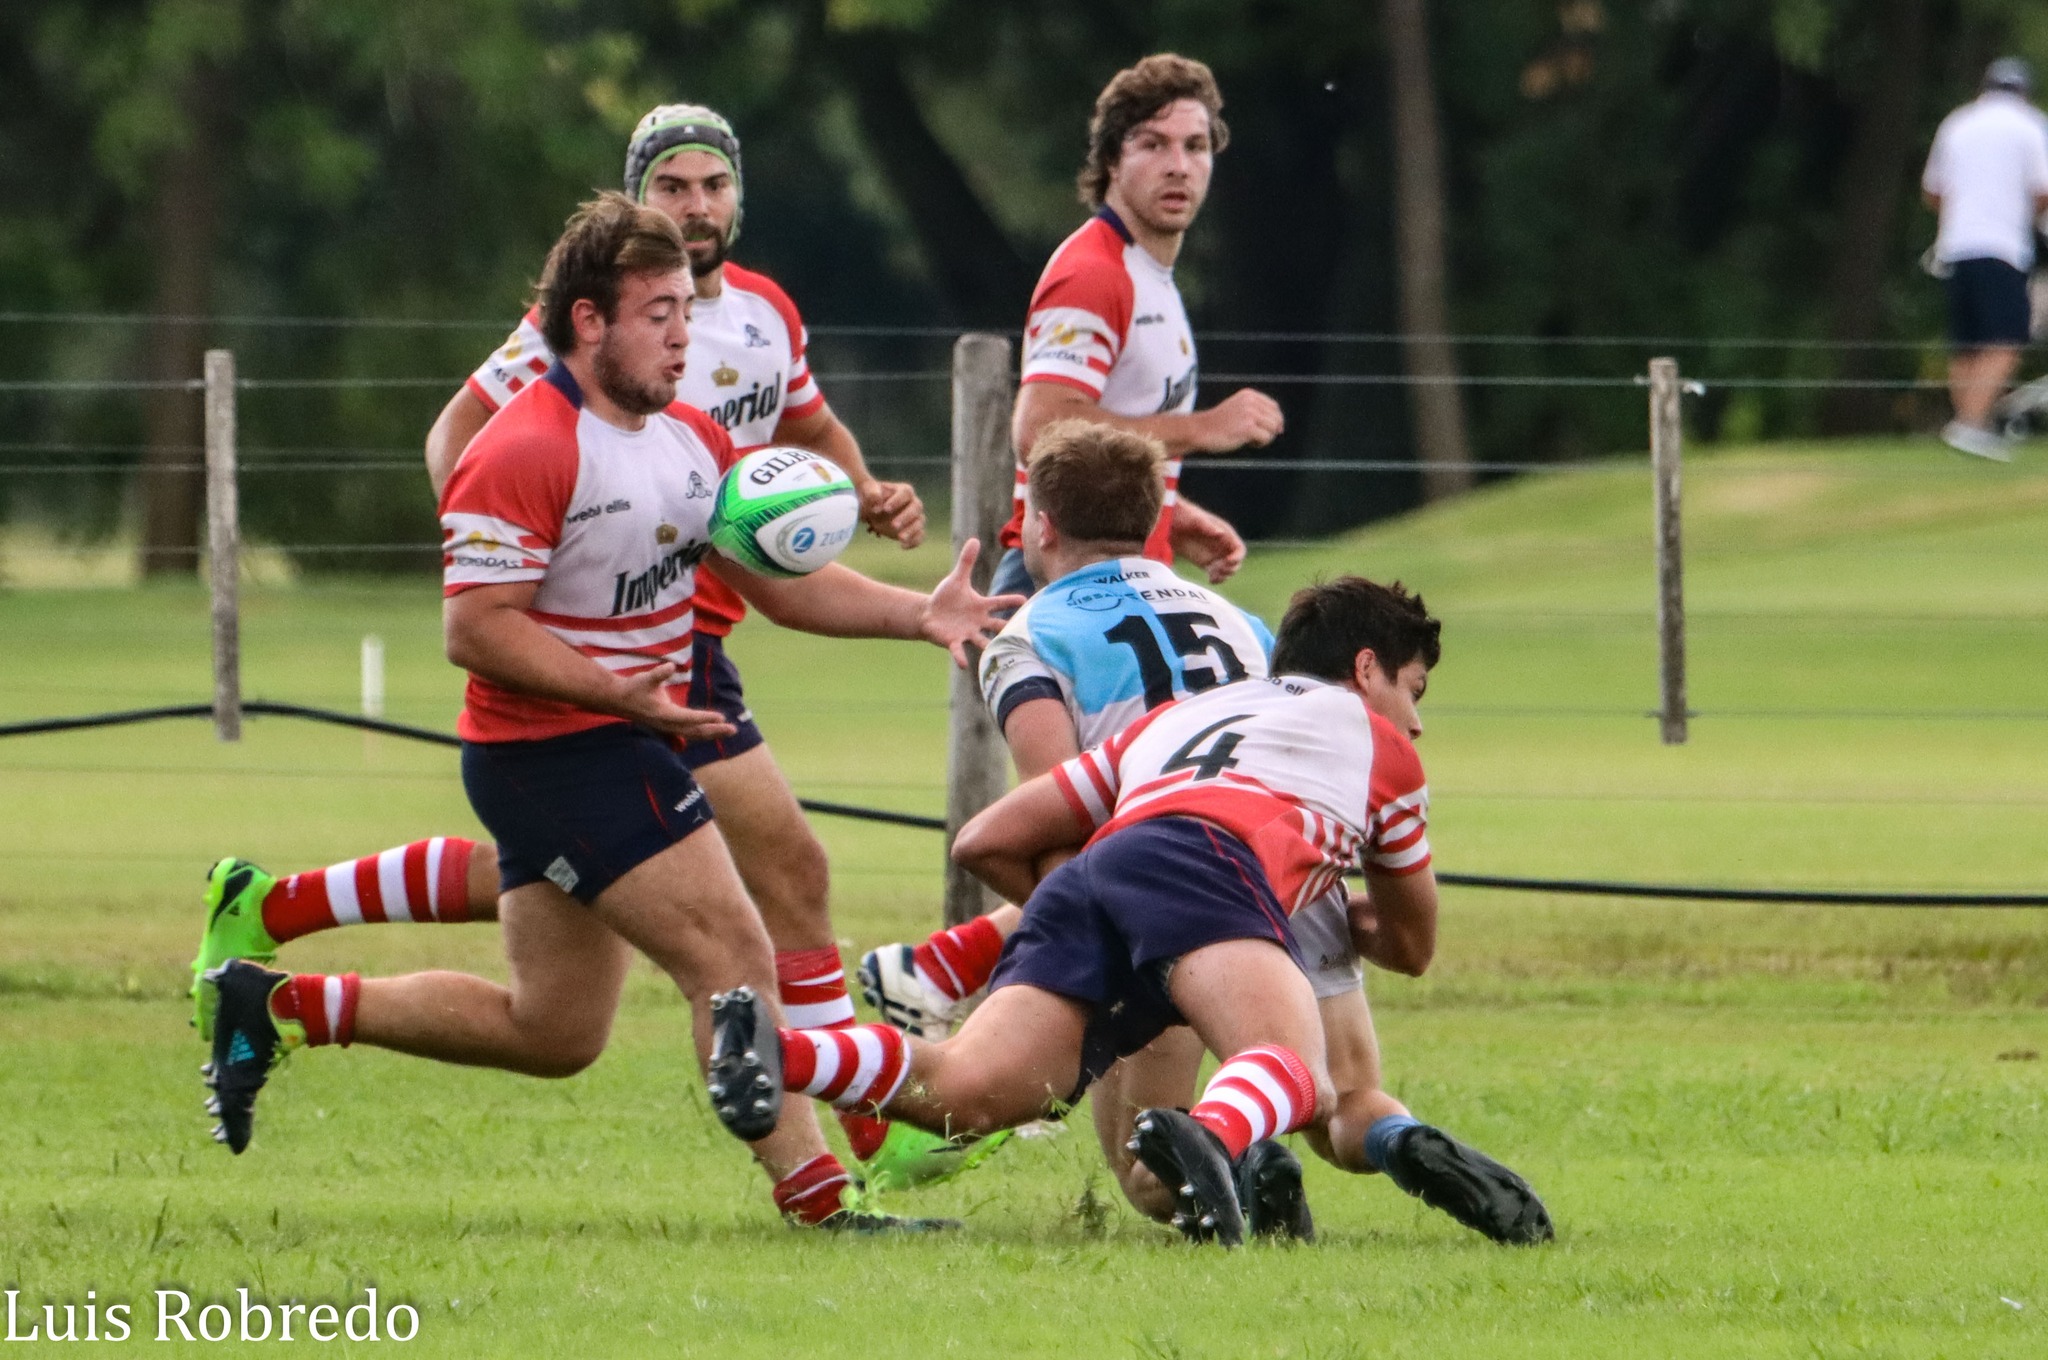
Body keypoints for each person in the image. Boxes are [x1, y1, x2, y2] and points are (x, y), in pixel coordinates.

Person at [199, 195, 1018, 1237]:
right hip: (555, 752)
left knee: (554, 1030)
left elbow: (770, 583)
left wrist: (918, 615)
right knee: (730, 954)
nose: (684, 336)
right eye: (658, 314)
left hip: (603, 739)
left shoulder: (690, 437)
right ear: (587, 321)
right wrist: (617, 692)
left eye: (686, 310)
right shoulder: (524, 447)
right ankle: (817, 1198)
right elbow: (475, 629)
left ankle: (271, 1006)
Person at [862, 426, 1548, 1242]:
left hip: (1166, 882)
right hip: (1291, 862)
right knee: (1340, 1097)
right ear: (1157, 520)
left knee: (1144, 1169)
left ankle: (1248, 1165)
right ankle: (1394, 1137)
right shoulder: (1243, 623)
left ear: (1040, 526)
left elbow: (1062, 817)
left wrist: (1079, 942)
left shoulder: (1027, 636)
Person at [710, 577, 1504, 1246]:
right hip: (1214, 868)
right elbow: (1411, 942)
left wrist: (1123, 934)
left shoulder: (1179, 719)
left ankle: (781, 1054)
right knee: (1299, 1072)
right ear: (1368, 669)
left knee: (974, 1090)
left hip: (1097, 872)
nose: (1416, 719)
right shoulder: (1383, 749)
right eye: (1413, 690)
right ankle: (1211, 1136)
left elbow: (987, 838)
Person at [987, 53, 1285, 603]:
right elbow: (1041, 429)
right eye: (1153, 144)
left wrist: (1172, 513)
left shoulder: (1148, 272)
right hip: (1065, 587)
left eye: (1195, 146)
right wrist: (1201, 429)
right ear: (1111, 161)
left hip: (1119, 578)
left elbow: (1109, 434)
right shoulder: (1093, 274)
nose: (1178, 165)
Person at [1922, 58, 2048, 461]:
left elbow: (1933, 191)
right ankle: (1971, 424)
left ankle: (1966, 424)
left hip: (1955, 245)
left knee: (1967, 342)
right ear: (2023, 91)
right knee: (2006, 338)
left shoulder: (1957, 122)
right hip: (2003, 245)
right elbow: (2043, 190)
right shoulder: (2030, 125)